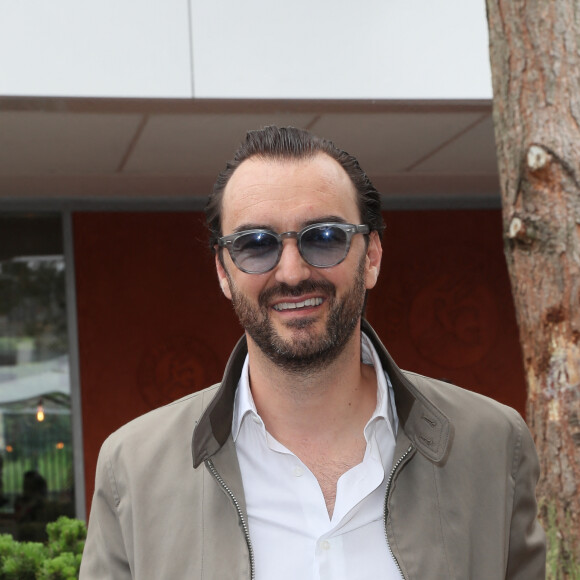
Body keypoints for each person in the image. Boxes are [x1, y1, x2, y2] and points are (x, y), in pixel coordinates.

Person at [80, 126, 546, 579]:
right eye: (255, 244)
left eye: (324, 237)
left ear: (372, 257)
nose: (291, 272)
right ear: (223, 272)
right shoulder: (133, 471)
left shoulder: (492, 446)